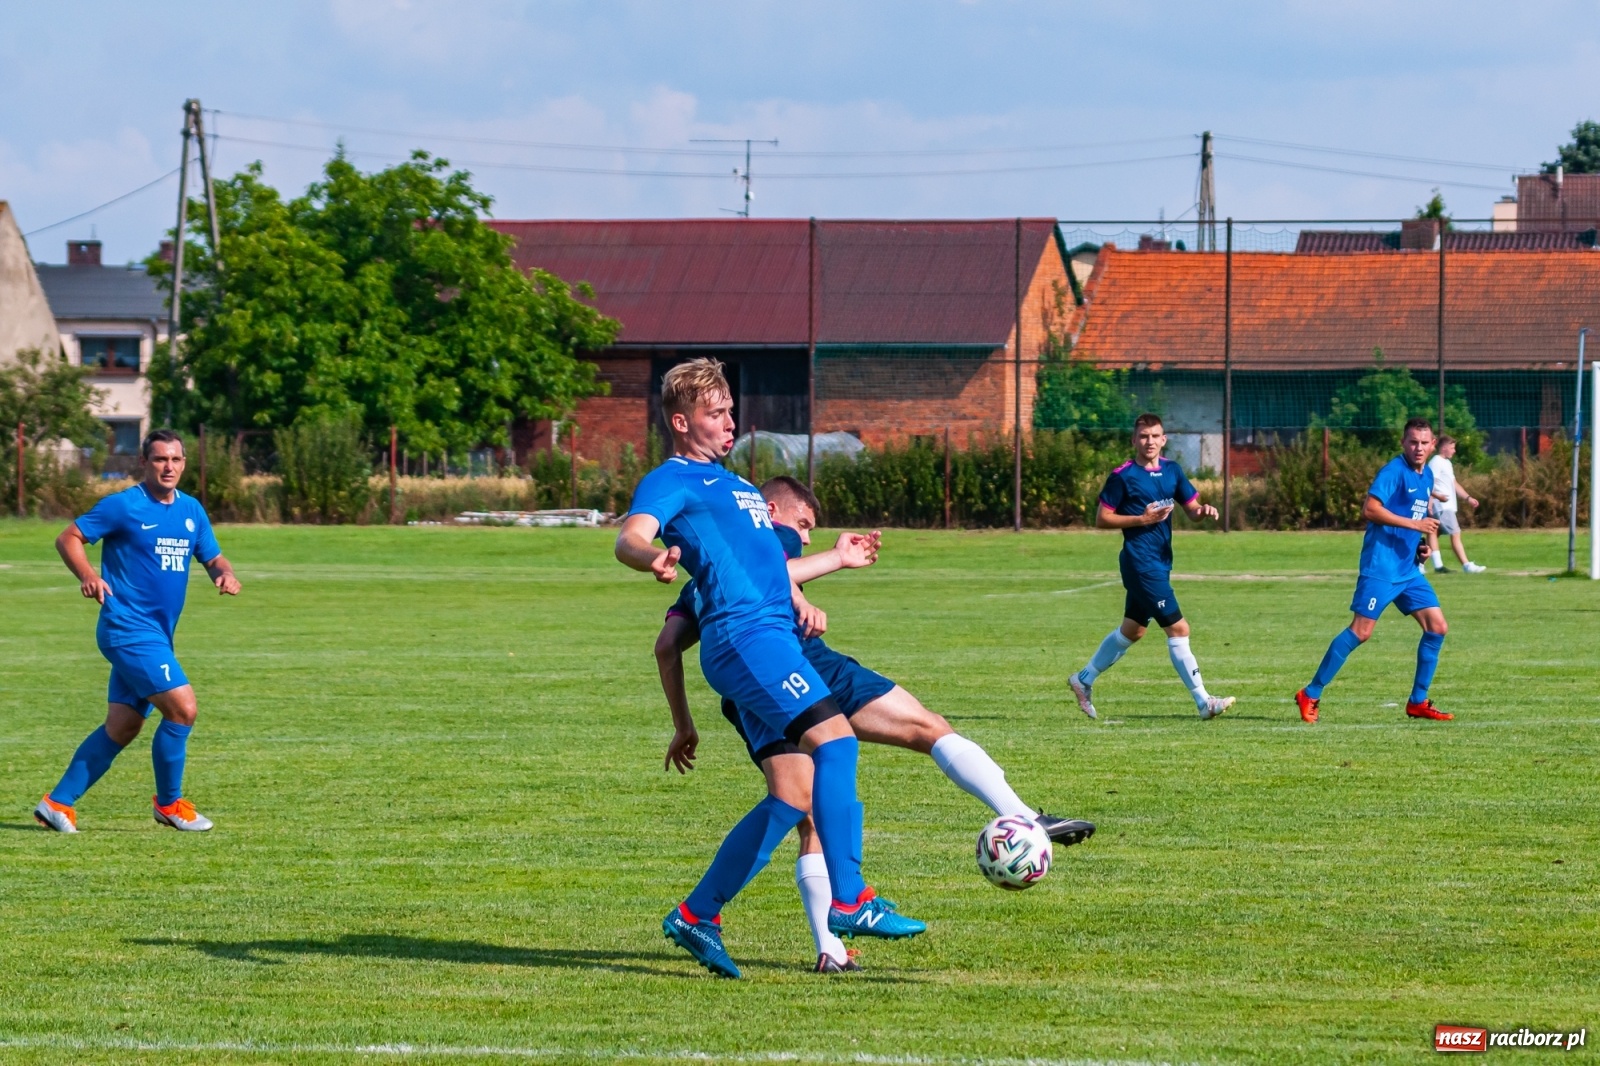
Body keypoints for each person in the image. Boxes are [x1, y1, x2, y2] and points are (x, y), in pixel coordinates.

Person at [656, 475, 1096, 973]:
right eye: (803, 524)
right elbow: (776, 568)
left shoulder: (705, 577)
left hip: (744, 689)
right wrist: (829, 566)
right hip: (798, 663)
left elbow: (667, 645)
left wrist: (683, 724)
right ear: (770, 510)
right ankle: (1022, 816)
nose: (804, 537)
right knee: (924, 728)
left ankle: (804, 942)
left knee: (800, 804)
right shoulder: (767, 531)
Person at [615, 358, 923, 980]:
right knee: (837, 742)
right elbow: (629, 537)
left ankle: (697, 914)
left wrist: (834, 561)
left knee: (792, 794)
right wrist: (652, 558)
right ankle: (851, 898)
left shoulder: (736, 486)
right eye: (715, 413)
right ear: (682, 422)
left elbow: (772, 576)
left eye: (731, 410)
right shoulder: (671, 479)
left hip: (769, 638)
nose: (731, 422)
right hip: (746, 641)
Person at [33, 430, 241, 834]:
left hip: (157, 635)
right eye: (160, 459)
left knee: (123, 726)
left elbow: (214, 557)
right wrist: (88, 574)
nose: (169, 467)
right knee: (183, 709)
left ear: (184, 463)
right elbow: (68, 537)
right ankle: (169, 804)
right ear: (144, 462)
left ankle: (57, 803)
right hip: (127, 628)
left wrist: (225, 573)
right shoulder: (124, 505)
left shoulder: (191, 511)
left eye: (175, 460)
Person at [1068, 414, 1234, 721]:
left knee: (1133, 630)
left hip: (1160, 561)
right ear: (1134, 440)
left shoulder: (1173, 471)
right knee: (1179, 628)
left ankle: (1083, 679)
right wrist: (1140, 519)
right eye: (1144, 436)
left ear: (1163, 439)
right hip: (1139, 563)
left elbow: (1192, 509)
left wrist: (1203, 511)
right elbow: (1102, 518)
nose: (1149, 441)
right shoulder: (1123, 476)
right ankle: (1204, 702)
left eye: (1155, 436)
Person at [1295, 418, 1453, 724]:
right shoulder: (1393, 471)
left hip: (1408, 570)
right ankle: (1310, 693)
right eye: (1413, 442)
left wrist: (1420, 545)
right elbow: (1370, 509)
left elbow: (1413, 514)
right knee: (1361, 632)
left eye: (1424, 443)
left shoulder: (1427, 475)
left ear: (1433, 445)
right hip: (1381, 567)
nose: (1418, 448)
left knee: (1437, 627)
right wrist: (1416, 525)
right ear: (1403, 443)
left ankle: (1418, 702)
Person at [1425, 436, 1486, 574]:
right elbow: (1430, 483)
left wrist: (1468, 498)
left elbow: (1454, 483)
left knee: (1433, 533)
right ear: (1444, 448)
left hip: (1446, 506)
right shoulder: (1436, 462)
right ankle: (1467, 566)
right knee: (1455, 533)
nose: (1454, 451)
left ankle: (1422, 565)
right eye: (1452, 448)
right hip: (1442, 505)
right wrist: (1429, 503)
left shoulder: (1446, 463)